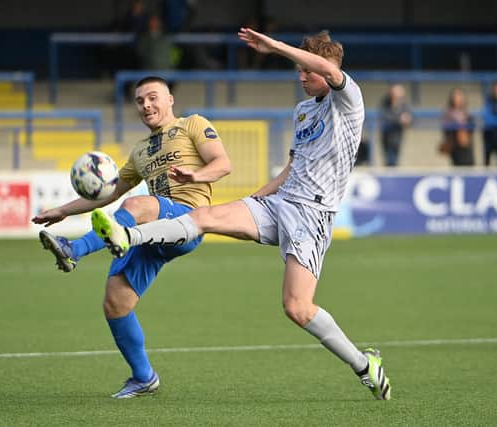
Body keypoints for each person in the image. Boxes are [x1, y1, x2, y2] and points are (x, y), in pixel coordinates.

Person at [92, 27, 392, 400]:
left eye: (306, 71)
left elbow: (329, 73)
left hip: (313, 214)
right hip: (280, 204)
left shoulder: (349, 101)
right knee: (204, 217)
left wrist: (276, 48)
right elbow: (291, 170)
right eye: (298, 71)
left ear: (326, 67)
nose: (301, 77)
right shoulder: (302, 112)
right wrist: (256, 199)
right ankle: (128, 236)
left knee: (297, 308)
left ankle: (364, 366)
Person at [31, 76, 231, 399]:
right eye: (140, 101)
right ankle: (143, 377)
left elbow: (223, 164)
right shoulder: (140, 152)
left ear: (170, 100)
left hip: (190, 219)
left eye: (153, 97)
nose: (146, 105)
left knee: (137, 204)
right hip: (155, 231)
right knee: (115, 302)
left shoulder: (193, 125)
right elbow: (109, 193)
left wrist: (196, 175)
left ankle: (75, 249)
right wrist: (63, 211)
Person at [440, 88, 475, 166]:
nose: (458, 99)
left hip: (466, 148)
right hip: (455, 146)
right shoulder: (448, 114)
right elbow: (445, 129)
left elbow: (471, 129)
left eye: (460, 97)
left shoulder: (467, 114)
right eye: (456, 97)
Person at [380, 84, 411, 167]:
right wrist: (399, 119)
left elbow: (411, 117)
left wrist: (407, 119)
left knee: (395, 161)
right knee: (389, 160)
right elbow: (385, 116)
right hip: (387, 136)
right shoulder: (385, 103)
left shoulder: (403, 104)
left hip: (398, 136)